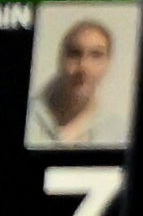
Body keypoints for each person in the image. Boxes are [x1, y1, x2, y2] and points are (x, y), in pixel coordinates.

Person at [24, 18, 133, 148]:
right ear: (60, 59)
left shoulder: (118, 134)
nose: (84, 66)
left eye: (96, 55)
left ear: (108, 63)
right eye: (75, 54)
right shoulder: (30, 118)